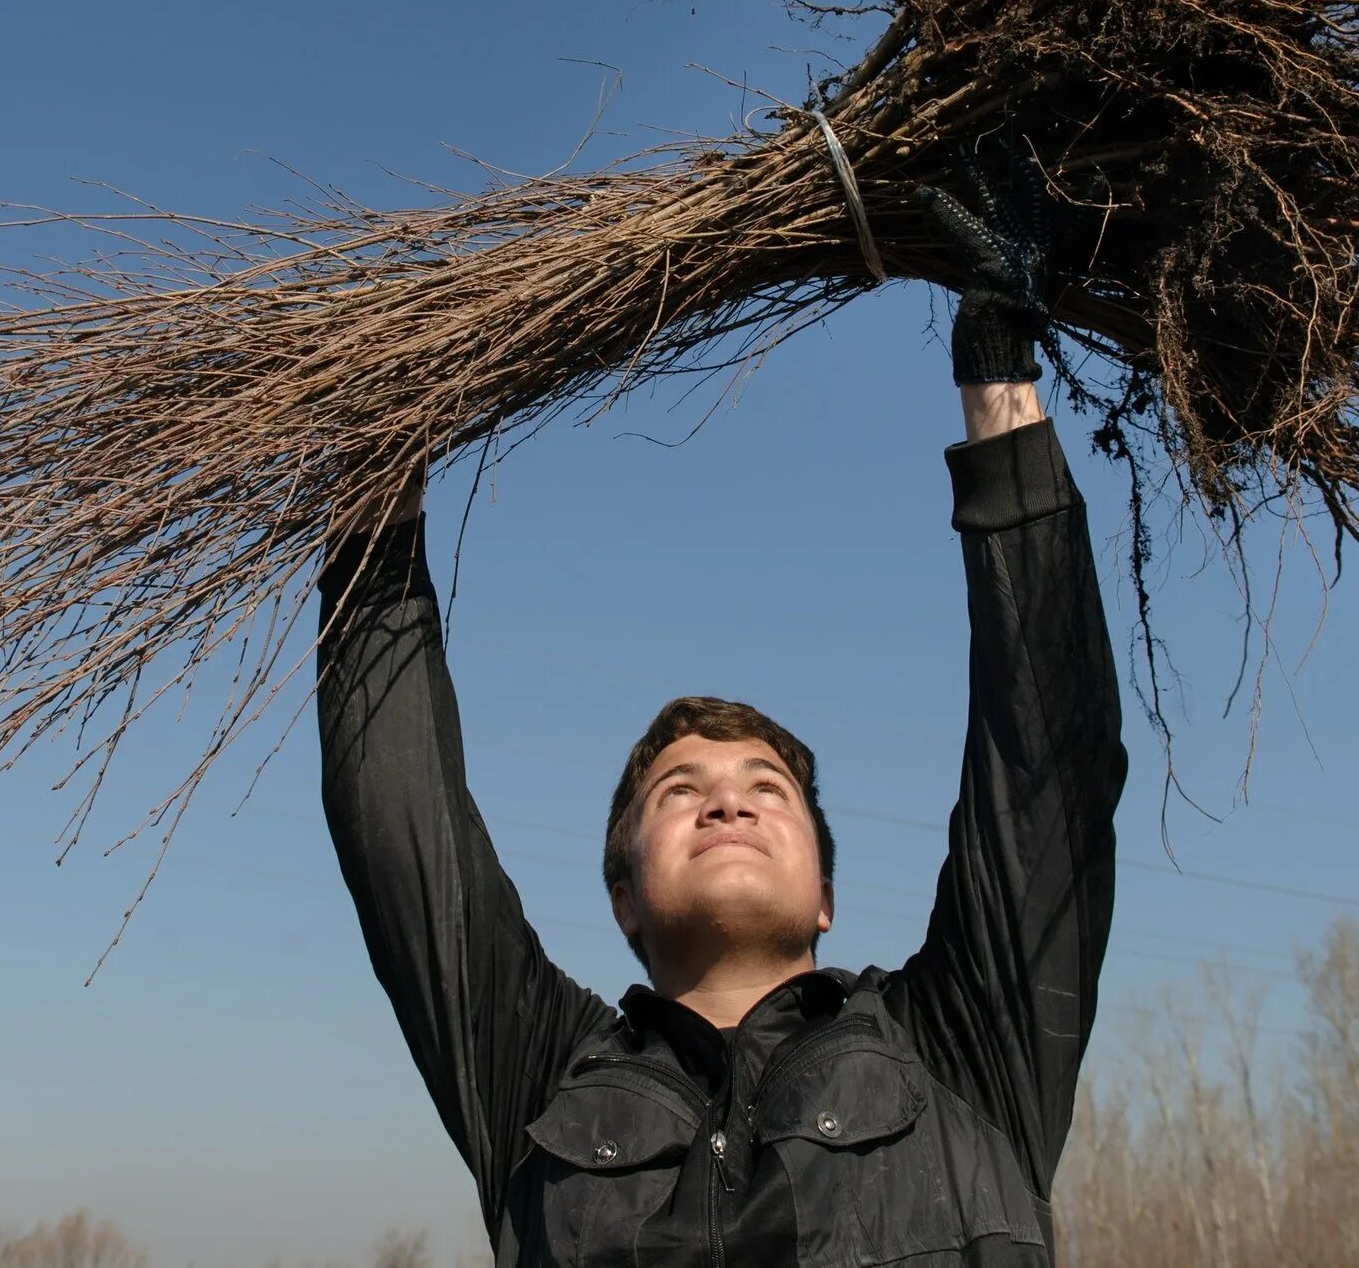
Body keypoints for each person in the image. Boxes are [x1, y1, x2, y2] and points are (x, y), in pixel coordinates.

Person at [316, 164, 1127, 1265]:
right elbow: (398, 825)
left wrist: (998, 378)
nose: (726, 802)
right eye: (678, 791)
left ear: (828, 893)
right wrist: (376, 480)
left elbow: (1047, 775)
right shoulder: (541, 1078)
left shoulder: (961, 1044)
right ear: (622, 897)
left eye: (765, 787)